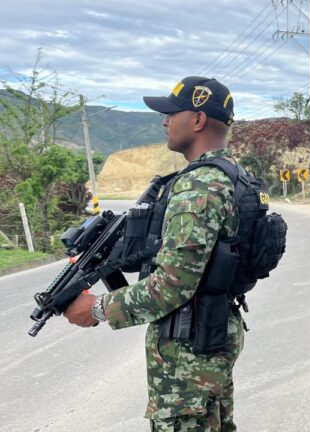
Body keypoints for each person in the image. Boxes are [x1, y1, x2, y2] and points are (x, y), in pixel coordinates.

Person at [64, 76, 245, 431]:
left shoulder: (199, 185)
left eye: (170, 113)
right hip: (210, 335)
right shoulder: (230, 175)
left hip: (189, 353)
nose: (164, 121)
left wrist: (97, 308)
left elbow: (172, 286)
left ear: (197, 120)